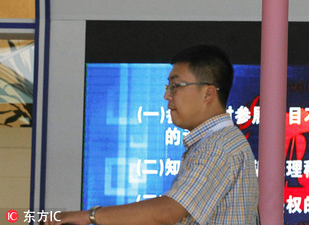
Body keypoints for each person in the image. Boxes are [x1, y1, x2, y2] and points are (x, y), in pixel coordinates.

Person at [45, 44, 259, 225]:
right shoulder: (217, 141)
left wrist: (88, 216)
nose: (167, 95)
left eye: (176, 86)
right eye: (168, 86)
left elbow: (167, 211)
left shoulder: (217, 147)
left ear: (208, 93)